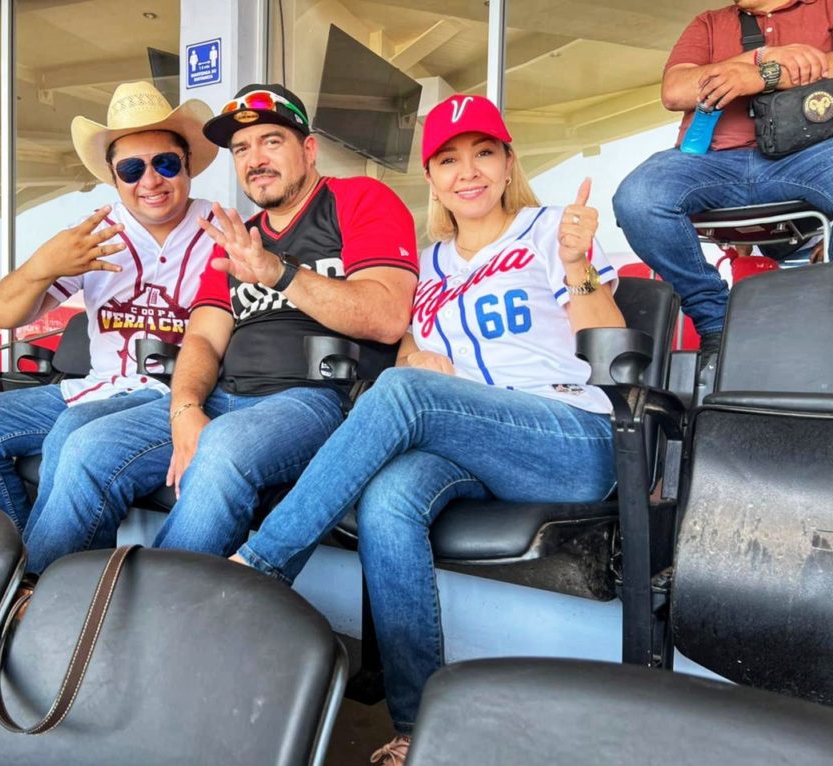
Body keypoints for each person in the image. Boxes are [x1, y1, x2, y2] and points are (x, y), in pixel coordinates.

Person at [229, 94, 625, 765]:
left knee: (403, 393)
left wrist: (578, 264)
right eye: (449, 160)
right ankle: (415, 726)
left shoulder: (550, 229)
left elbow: (607, 349)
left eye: (484, 154)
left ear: (507, 164)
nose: (468, 172)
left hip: (569, 437)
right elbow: (409, 353)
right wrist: (414, 359)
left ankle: (262, 565)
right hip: (477, 444)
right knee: (390, 498)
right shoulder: (431, 263)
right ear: (433, 178)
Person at [20, 83, 418, 573]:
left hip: (317, 397)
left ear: (309, 149)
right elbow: (204, 338)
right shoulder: (238, 237)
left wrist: (279, 273)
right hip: (224, 395)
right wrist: (185, 408)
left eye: (272, 141)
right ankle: (40, 600)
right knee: (86, 448)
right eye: (242, 149)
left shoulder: (358, 199)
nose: (256, 159)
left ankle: (158, 612)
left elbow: (386, 317)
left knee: (222, 449)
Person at [0, 81, 219, 540]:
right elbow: (4, 316)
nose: (150, 180)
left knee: (72, 433)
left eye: (165, 163)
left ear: (188, 164)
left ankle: (40, 574)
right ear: (114, 176)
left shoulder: (222, 229)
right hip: (96, 388)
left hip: (168, 395)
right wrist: (43, 266)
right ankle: (15, 554)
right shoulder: (93, 233)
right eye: (132, 169)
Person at [613, 0, 833, 357]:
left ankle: (824, 321)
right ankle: (716, 323)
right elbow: (675, 91)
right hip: (712, 162)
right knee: (639, 198)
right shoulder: (709, 23)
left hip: (808, 156)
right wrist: (759, 58)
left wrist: (762, 76)